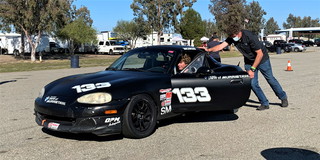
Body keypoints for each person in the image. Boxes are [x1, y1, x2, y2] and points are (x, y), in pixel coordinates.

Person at [201, 24, 288, 110]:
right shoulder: (232, 37)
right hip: (249, 61)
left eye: (234, 36)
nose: (232, 38)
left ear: (239, 33)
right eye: (231, 36)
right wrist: (208, 50)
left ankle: (283, 97)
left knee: (270, 79)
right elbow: (220, 46)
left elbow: (259, 54)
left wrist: (252, 69)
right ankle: (264, 103)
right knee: (252, 83)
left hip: (262, 59)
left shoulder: (250, 36)